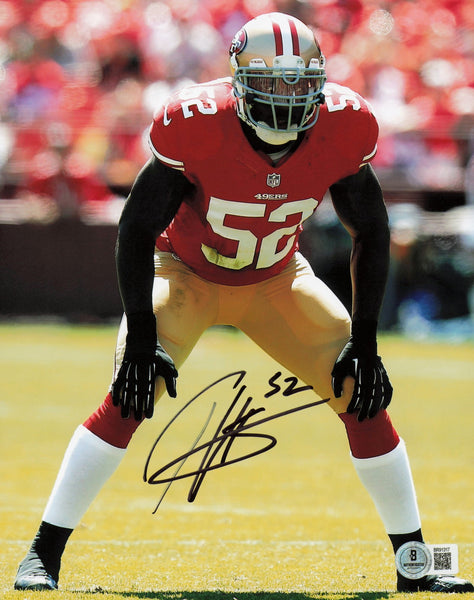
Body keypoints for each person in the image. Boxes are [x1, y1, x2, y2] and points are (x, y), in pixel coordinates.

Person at [14, 12, 472, 593]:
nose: (286, 97)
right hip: (186, 275)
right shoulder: (197, 123)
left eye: (300, 83)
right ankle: (42, 555)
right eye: (271, 82)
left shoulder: (345, 123)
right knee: (131, 396)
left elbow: (372, 231)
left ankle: (416, 567)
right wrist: (143, 334)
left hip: (277, 279)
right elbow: (135, 229)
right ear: (239, 81)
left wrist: (365, 339)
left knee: (361, 393)